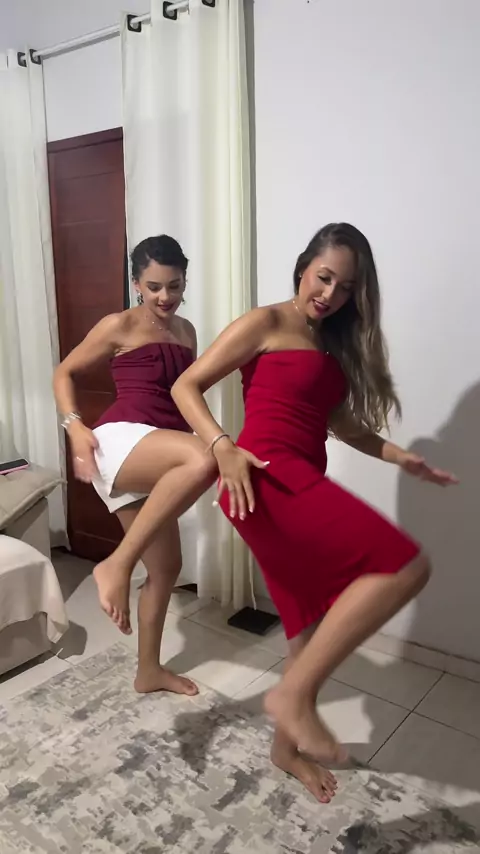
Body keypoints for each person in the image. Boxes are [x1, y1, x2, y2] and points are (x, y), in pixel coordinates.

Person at [170, 222, 458, 803]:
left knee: (307, 628)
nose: (330, 294)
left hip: (297, 477)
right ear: (303, 267)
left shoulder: (328, 343)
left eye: (346, 288)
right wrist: (222, 446)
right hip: (264, 476)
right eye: (323, 277)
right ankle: (294, 697)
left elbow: (342, 425)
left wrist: (402, 457)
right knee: (406, 565)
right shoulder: (266, 322)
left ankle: (285, 747)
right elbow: (186, 386)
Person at [53, 235, 218, 695]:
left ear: (184, 282)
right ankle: (116, 565)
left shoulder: (186, 332)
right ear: (136, 284)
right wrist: (74, 427)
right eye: (154, 286)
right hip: (120, 440)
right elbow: (64, 372)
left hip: (161, 448)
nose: (165, 297)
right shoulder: (119, 325)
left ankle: (149, 671)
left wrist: (216, 434)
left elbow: (186, 397)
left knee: (166, 569)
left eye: (175, 286)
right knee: (203, 458)